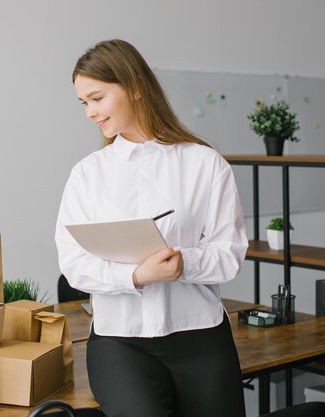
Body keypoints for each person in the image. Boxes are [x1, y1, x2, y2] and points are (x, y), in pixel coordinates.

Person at [55, 39, 248, 417]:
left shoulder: (205, 164)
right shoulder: (87, 175)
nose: (91, 112)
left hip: (201, 338)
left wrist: (184, 264)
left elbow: (230, 253)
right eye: (84, 103)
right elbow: (73, 262)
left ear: (136, 87)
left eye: (97, 98)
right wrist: (137, 276)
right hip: (119, 343)